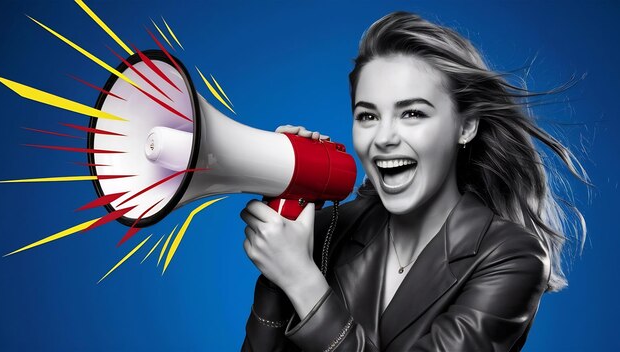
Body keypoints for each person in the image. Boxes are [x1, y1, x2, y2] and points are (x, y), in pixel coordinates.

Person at [239, 11, 587, 351]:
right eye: (368, 115)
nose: (384, 137)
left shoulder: (511, 257)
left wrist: (303, 281)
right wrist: (277, 270)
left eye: (412, 113)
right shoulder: (323, 231)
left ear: (466, 126)